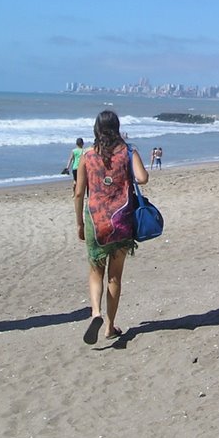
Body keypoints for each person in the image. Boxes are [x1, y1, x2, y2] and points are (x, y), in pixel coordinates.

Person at [75, 110, 149, 343]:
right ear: (116, 128)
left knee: (96, 270)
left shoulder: (87, 156)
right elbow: (143, 177)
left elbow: (79, 193)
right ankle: (109, 326)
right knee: (114, 276)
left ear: (96, 129)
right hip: (122, 220)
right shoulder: (128, 152)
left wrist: (78, 222)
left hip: (96, 221)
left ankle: (96, 312)